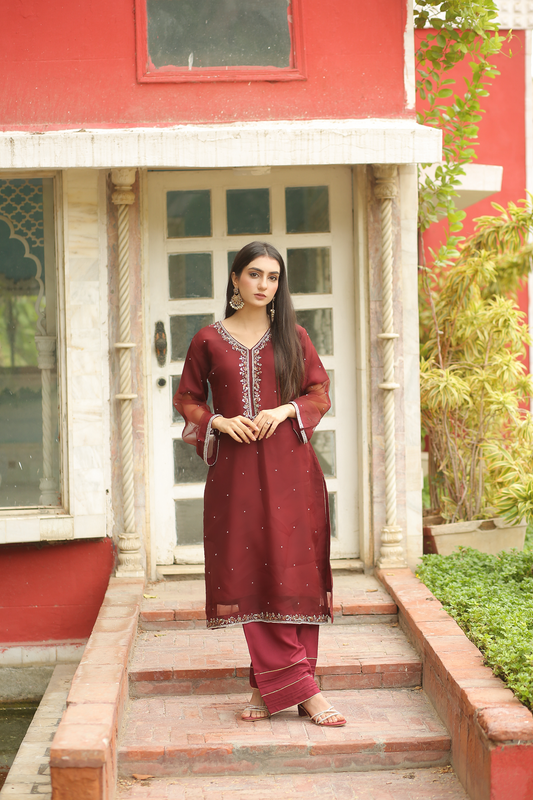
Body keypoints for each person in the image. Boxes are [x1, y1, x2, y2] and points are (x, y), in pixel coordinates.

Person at [173, 241, 346, 726]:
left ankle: (271, 689)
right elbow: (187, 398)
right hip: (235, 475)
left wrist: (286, 409)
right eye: (254, 274)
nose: (263, 284)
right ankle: (303, 691)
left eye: (272, 277)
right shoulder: (208, 340)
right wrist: (218, 421)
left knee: (293, 573)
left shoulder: (293, 336)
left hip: (291, 469)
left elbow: (319, 392)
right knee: (251, 569)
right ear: (235, 279)